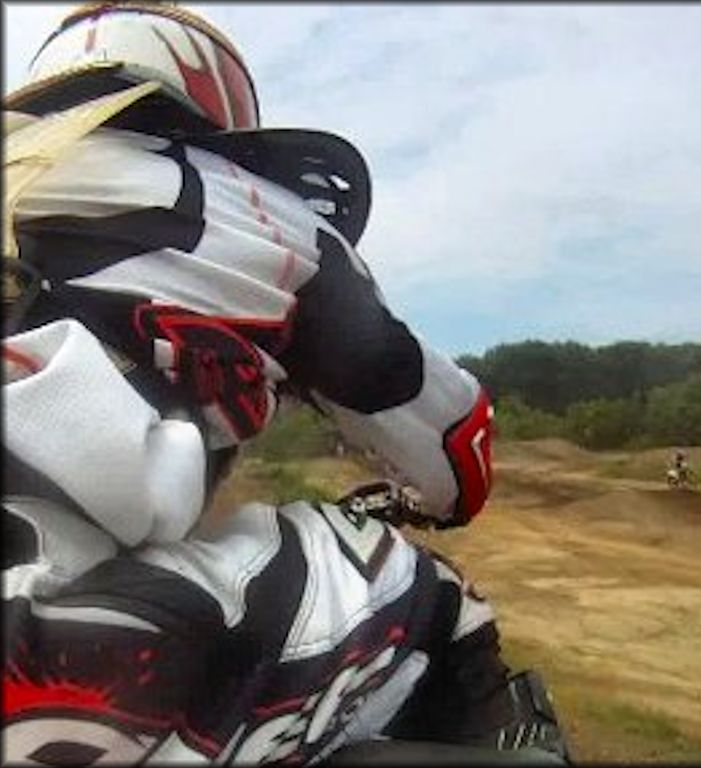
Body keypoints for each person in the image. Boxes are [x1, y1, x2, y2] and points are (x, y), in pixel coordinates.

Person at [3, 3, 568, 763]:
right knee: (426, 594)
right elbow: (455, 446)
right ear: (215, 98)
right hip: (48, 650)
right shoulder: (266, 219)